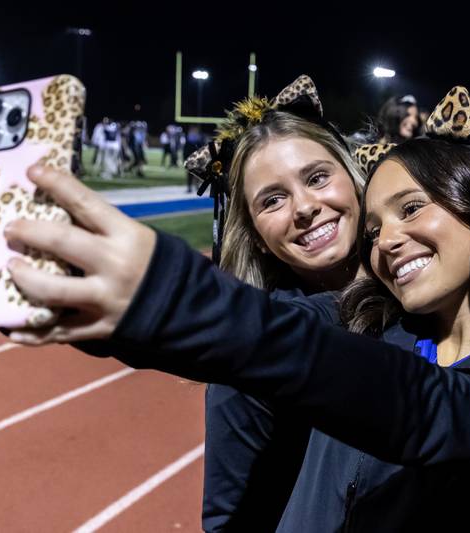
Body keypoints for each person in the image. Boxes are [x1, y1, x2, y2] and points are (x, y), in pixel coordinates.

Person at [0, 86, 470, 531]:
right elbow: (264, 338)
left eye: (410, 208)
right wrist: (91, 289)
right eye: (375, 228)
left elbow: (422, 408)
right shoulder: (365, 326)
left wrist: (166, 292)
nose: (388, 238)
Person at [182, 75, 366, 531]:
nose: (304, 207)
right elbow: (228, 520)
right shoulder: (250, 363)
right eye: (273, 200)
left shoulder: (424, 293)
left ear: (354, 177)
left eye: (318, 177)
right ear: (257, 238)